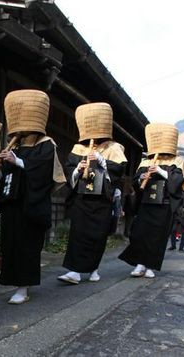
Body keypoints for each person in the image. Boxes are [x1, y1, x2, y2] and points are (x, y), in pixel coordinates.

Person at [0, 89, 65, 304]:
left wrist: (18, 162)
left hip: (32, 205)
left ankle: (23, 288)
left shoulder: (46, 144)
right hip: (13, 204)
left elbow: (44, 173)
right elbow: (4, 176)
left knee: (27, 246)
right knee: (11, 244)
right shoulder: (13, 144)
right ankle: (15, 283)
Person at [58, 102, 127, 284]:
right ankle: (74, 271)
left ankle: (93, 269)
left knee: (97, 235)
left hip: (102, 200)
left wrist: (102, 161)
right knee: (78, 233)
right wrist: (78, 170)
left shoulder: (114, 148)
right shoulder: (79, 148)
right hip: (81, 198)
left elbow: (118, 171)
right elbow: (68, 170)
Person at [118, 123, 184, 278]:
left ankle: (150, 266)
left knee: (156, 236)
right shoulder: (146, 161)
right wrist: (142, 178)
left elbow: (178, 181)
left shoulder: (177, 161)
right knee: (139, 233)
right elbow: (135, 181)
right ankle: (140, 264)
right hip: (147, 203)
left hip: (164, 204)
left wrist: (159, 170)